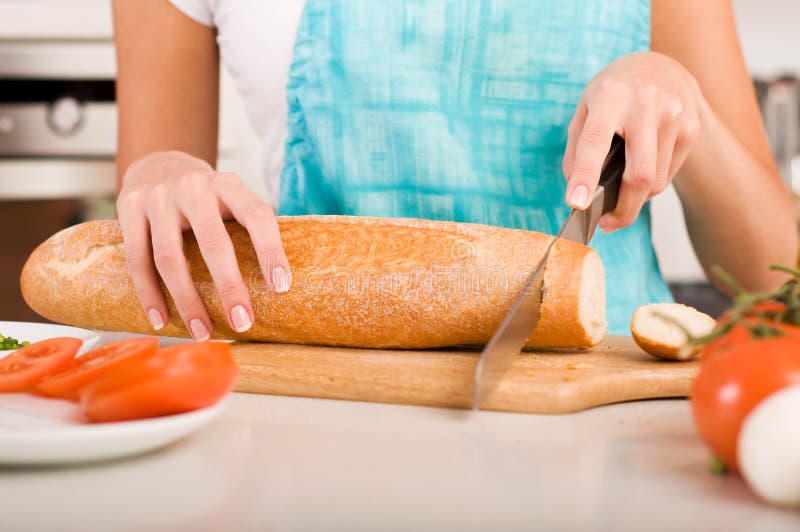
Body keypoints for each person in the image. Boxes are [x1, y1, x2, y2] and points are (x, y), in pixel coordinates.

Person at [112, 0, 797, 340]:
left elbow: (780, 275)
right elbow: (149, 231)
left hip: (612, 415)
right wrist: (161, 171)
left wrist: (684, 100)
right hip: (320, 402)